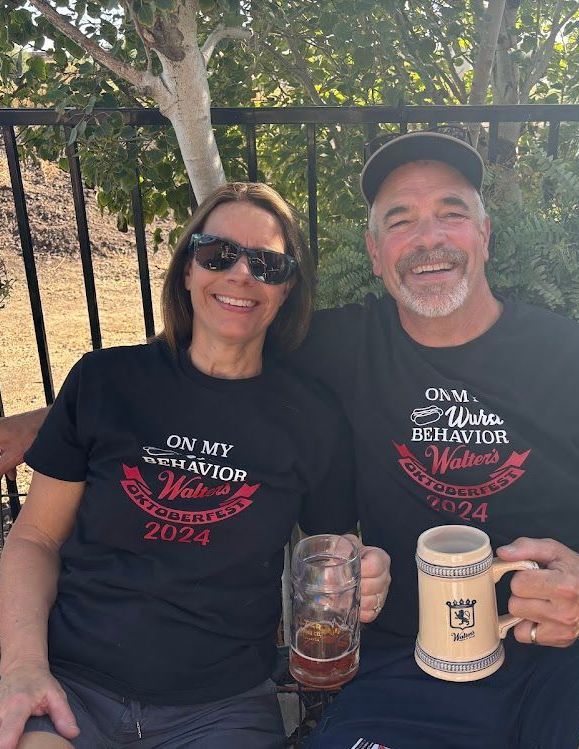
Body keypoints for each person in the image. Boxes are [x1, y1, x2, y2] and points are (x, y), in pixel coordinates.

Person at [3, 134, 579, 748]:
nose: (428, 237)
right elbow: (192, 377)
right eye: (400, 220)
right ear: (374, 250)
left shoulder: (576, 361)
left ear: (484, 235)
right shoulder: (333, 348)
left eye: (451, 213)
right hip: (409, 668)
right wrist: (48, 422)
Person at [0, 182, 390, 749]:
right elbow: (35, 537)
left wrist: (364, 569)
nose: (241, 274)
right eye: (218, 254)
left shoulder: (310, 417)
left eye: (267, 264)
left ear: (287, 289)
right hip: (71, 684)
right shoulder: (106, 381)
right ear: (187, 269)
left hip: (221, 709)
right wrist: (23, 668)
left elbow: (333, 550)